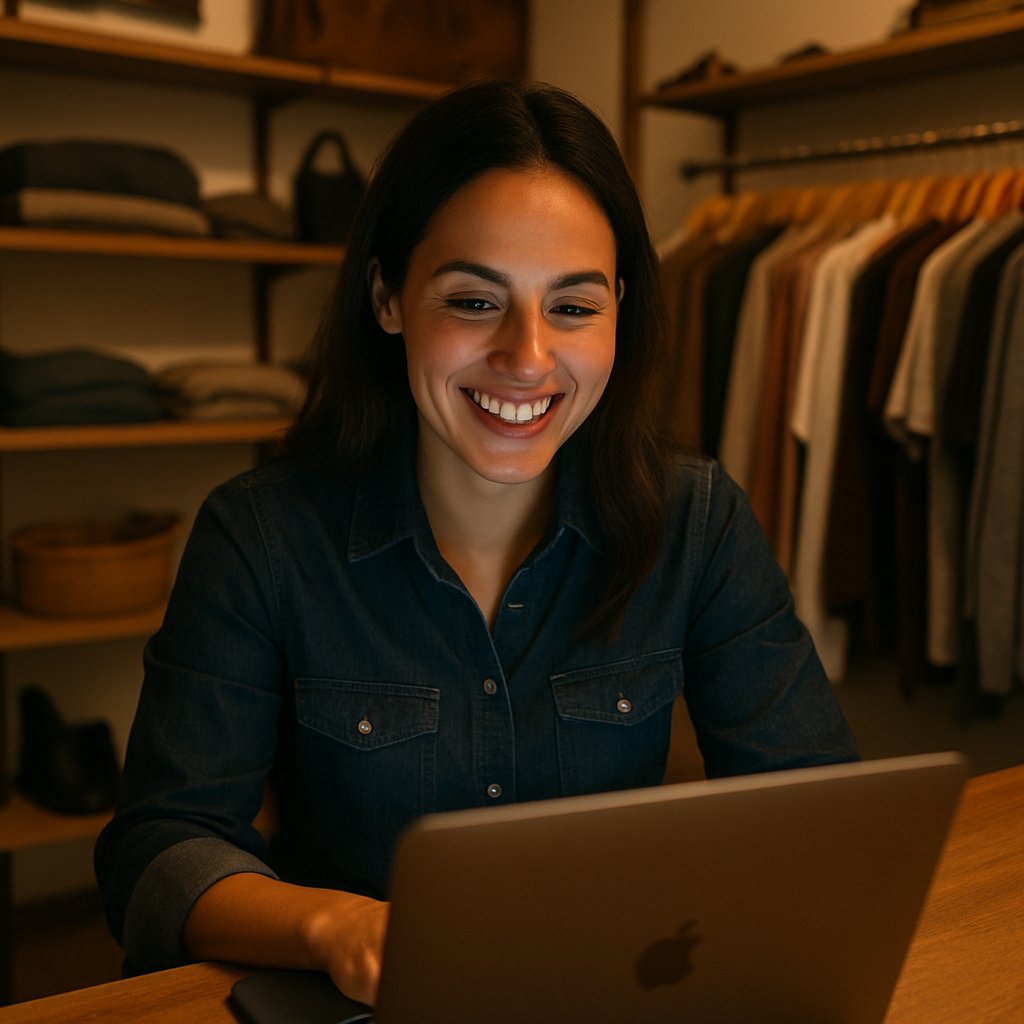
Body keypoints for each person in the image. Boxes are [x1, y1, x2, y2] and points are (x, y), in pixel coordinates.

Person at [94, 80, 858, 1006]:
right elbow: (159, 845)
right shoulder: (261, 537)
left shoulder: (698, 520)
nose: (528, 357)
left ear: (619, 307)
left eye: (572, 308)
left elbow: (820, 815)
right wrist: (336, 925)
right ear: (388, 296)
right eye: (473, 300)